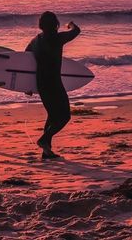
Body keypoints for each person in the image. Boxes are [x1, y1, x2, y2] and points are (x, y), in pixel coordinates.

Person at [26, 11, 80, 159]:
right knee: (65, 116)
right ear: (55, 24)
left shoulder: (35, 41)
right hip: (54, 82)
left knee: (52, 115)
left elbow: (25, 60)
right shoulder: (57, 38)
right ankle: (44, 140)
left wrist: (27, 86)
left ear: (41, 25)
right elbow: (76, 31)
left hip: (41, 82)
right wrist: (70, 24)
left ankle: (46, 151)